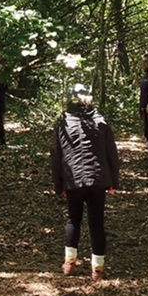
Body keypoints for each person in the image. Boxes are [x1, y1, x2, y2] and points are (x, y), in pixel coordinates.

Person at [51, 83, 120, 281]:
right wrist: (113, 181)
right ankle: (97, 269)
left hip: (73, 178)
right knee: (97, 223)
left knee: (74, 219)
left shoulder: (63, 122)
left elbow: (56, 154)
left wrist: (58, 184)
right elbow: (111, 153)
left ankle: (70, 263)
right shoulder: (100, 120)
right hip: (98, 179)